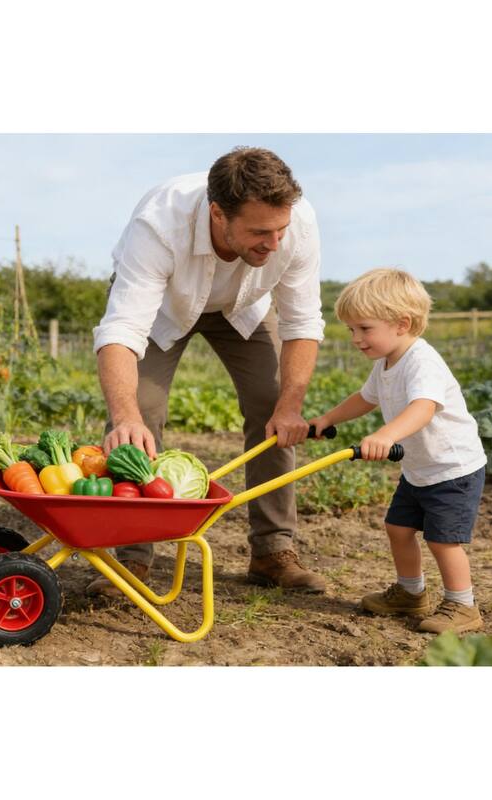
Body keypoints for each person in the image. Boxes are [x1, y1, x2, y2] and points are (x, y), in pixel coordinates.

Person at [88, 146, 327, 597]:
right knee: (141, 410)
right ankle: (132, 557)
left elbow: (302, 322)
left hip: (244, 306)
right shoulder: (158, 224)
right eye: (260, 232)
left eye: (280, 230)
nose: (275, 243)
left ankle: (273, 551)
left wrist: (290, 404)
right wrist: (124, 416)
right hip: (163, 308)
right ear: (218, 214)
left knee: (272, 405)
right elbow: (122, 328)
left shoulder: (297, 224)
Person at [308, 268, 487, 633]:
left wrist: (387, 436)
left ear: (402, 324)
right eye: (351, 330)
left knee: (442, 540)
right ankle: (410, 593)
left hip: (453, 470)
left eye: (364, 328)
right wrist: (328, 418)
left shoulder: (422, 362)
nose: (356, 339)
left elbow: (424, 407)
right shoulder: (385, 362)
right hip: (420, 470)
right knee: (398, 527)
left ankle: (463, 605)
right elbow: (365, 398)